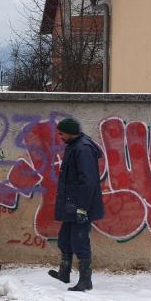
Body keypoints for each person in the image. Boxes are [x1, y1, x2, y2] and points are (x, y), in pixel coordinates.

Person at [48, 117, 104, 292]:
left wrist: (82, 208)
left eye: (61, 133)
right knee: (65, 238)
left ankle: (85, 281)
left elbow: (88, 182)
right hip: (72, 204)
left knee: (80, 241)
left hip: (80, 205)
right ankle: (64, 273)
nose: (59, 136)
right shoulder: (74, 146)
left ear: (70, 132)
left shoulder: (83, 149)